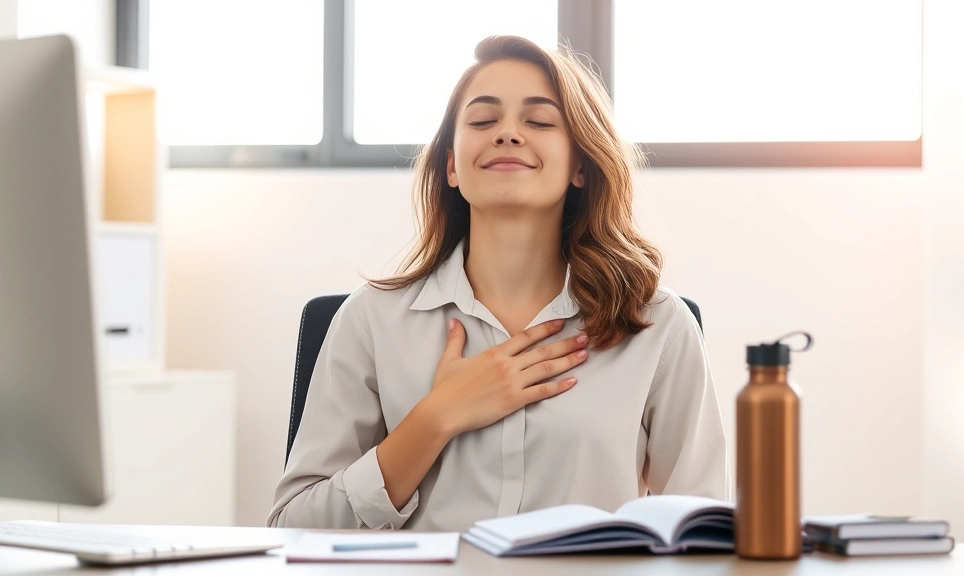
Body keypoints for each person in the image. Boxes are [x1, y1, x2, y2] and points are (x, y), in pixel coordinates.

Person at [268, 35, 727, 532]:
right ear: (451, 165)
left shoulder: (658, 326)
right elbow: (294, 527)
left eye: (540, 121)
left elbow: (701, 534)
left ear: (580, 164)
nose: (508, 134)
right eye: (483, 120)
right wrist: (436, 417)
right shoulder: (370, 320)